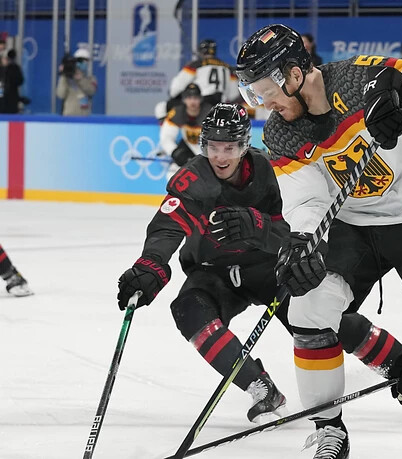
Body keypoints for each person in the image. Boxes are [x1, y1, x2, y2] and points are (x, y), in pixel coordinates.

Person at [235, 24, 402, 459]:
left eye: (266, 89)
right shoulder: (282, 132)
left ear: (295, 74)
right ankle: (329, 431)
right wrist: (303, 236)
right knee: (307, 307)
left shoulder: (361, 78)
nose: (264, 102)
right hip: (357, 224)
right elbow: (306, 194)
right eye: (253, 93)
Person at [117, 104, 293, 423]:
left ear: (243, 145)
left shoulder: (272, 172)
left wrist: (259, 228)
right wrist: (150, 265)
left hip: (270, 269)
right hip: (215, 273)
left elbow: (292, 231)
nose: (220, 157)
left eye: (229, 148)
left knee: (326, 320)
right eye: (213, 147)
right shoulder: (192, 179)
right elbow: (167, 226)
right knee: (189, 309)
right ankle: (259, 385)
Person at [168, 39, 238, 108]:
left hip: (202, 104)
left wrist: (173, 95)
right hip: (222, 104)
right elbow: (234, 94)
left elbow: (178, 85)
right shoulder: (227, 67)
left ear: (201, 51)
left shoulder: (195, 65)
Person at [159, 83, 213, 171]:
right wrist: (175, 152)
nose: (192, 102)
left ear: (200, 99)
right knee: (173, 172)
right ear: (184, 100)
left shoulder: (210, 114)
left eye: (195, 98)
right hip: (189, 149)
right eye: (189, 98)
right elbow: (166, 137)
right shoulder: (177, 113)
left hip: (209, 154)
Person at [56, 48, 97, 116]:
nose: (83, 63)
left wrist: (81, 79)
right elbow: (61, 95)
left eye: (85, 61)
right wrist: (63, 75)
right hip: (69, 117)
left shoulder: (91, 79)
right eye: (80, 60)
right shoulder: (67, 78)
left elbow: (91, 91)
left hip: (84, 117)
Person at [0, 49, 24, 114]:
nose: (7, 60)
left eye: (8, 59)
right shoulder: (1, 70)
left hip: (12, 99)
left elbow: (20, 81)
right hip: (2, 100)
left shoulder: (15, 68)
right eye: (5, 58)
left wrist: (10, 70)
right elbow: (1, 86)